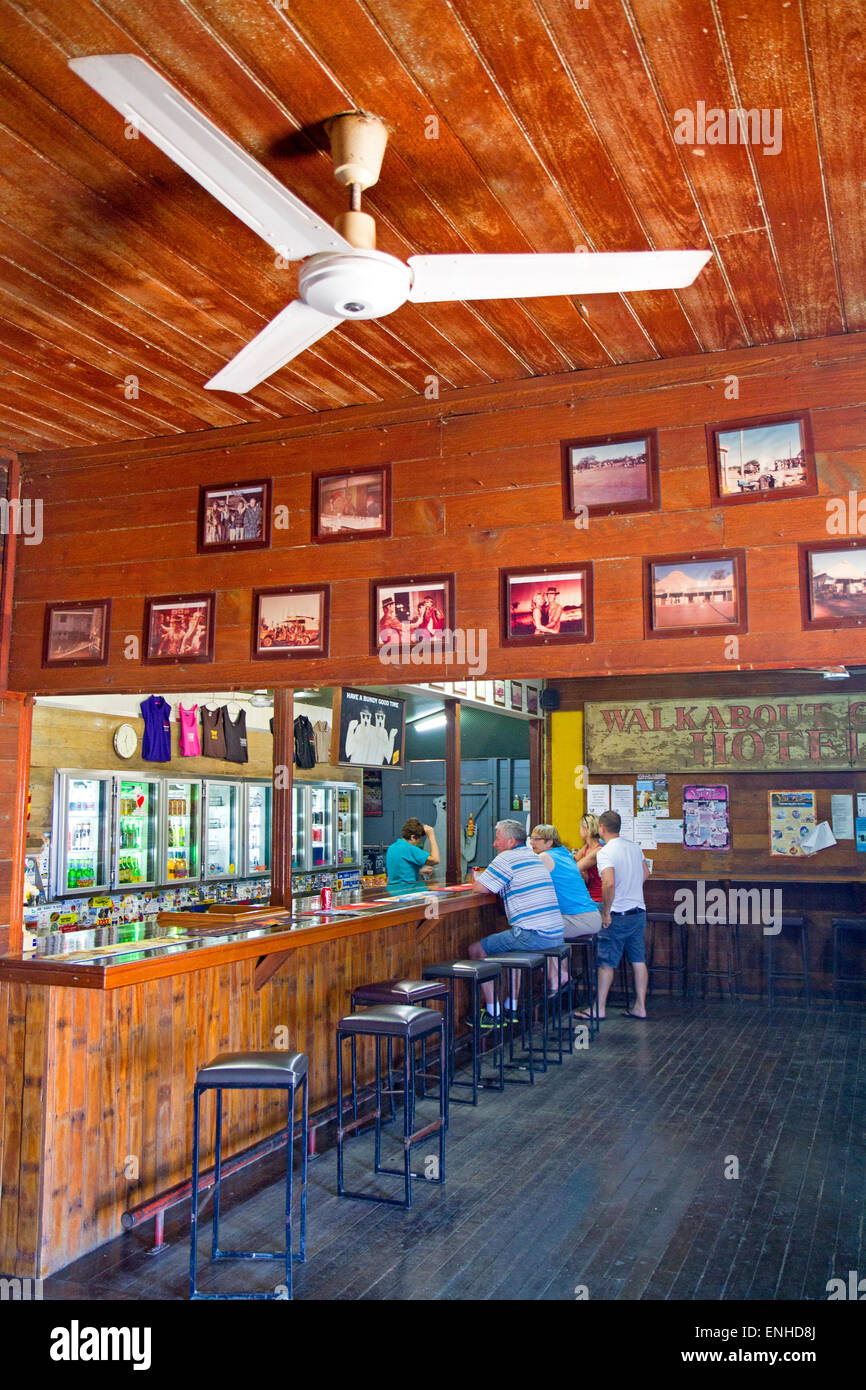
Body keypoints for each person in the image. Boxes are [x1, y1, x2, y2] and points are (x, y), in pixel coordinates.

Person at [469, 819, 564, 1026]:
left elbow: (480, 888)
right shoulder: (534, 857)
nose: (495, 844)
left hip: (535, 935)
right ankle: (511, 1008)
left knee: (477, 950)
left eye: (497, 839)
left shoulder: (506, 858)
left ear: (511, 841)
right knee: (512, 953)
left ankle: (493, 1014)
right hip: (555, 933)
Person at [576, 809, 649, 1021]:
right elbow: (646, 873)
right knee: (638, 959)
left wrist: (606, 912)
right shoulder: (634, 847)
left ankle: (599, 1008)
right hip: (638, 911)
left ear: (602, 828)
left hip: (618, 913)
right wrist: (631, 888)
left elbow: (608, 883)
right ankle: (640, 1006)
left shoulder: (606, 851)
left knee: (606, 962)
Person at [528, 824, 602, 992]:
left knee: (540, 930)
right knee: (552, 928)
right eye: (531, 838)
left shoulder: (544, 857)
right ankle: (561, 974)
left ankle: (557, 977)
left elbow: (533, 884)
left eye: (536, 839)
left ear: (549, 842)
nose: (532, 842)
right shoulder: (565, 854)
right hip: (591, 916)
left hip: (580, 918)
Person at [385, 818, 439, 893]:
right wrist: (431, 836)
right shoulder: (409, 848)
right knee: (435, 888)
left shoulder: (392, 848)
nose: (418, 844)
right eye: (418, 841)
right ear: (412, 837)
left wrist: (418, 871)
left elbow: (399, 871)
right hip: (407, 891)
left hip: (393, 891)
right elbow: (435, 859)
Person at [574, 812, 603, 906]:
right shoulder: (586, 848)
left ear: (586, 829)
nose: (579, 831)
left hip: (597, 899)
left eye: (580, 828)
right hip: (587, 897)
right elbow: (574, 859)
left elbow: (575, 868)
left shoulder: (598, 850)